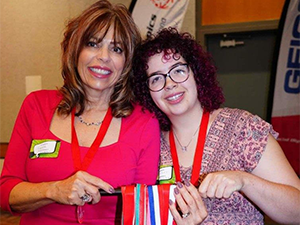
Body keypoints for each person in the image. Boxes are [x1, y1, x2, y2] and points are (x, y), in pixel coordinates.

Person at [0, 1, 160, 224]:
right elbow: (6, 193)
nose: (103, 56)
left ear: (127, 63)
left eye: (116, 49)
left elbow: (144, 214)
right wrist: (54, 190)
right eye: (93, 44)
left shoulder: (143, 122)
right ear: (75, 51)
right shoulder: (36, 106)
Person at [131, 27, 300, 225]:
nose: (169, 84)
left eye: (178, 71)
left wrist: (244, 181)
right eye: (157, 78)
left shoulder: (242, 128)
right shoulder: (149, 143)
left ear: (197, 73)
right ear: (147, 90)